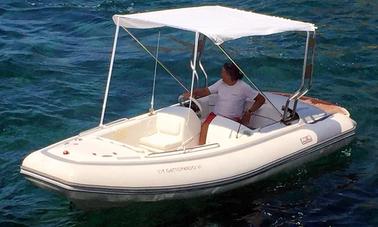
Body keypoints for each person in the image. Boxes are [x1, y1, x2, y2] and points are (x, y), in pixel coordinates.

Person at [183, 62, 265, 145]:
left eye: (223, 72)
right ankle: (201, 147)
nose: (221, 74)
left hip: (232, 119)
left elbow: (261, 99)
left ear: (230, 75)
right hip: (215, 116)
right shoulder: (220, 83)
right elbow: (206, 91)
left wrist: (249, 112)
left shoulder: (243, 87)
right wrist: (193, 93)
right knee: (204, 128)